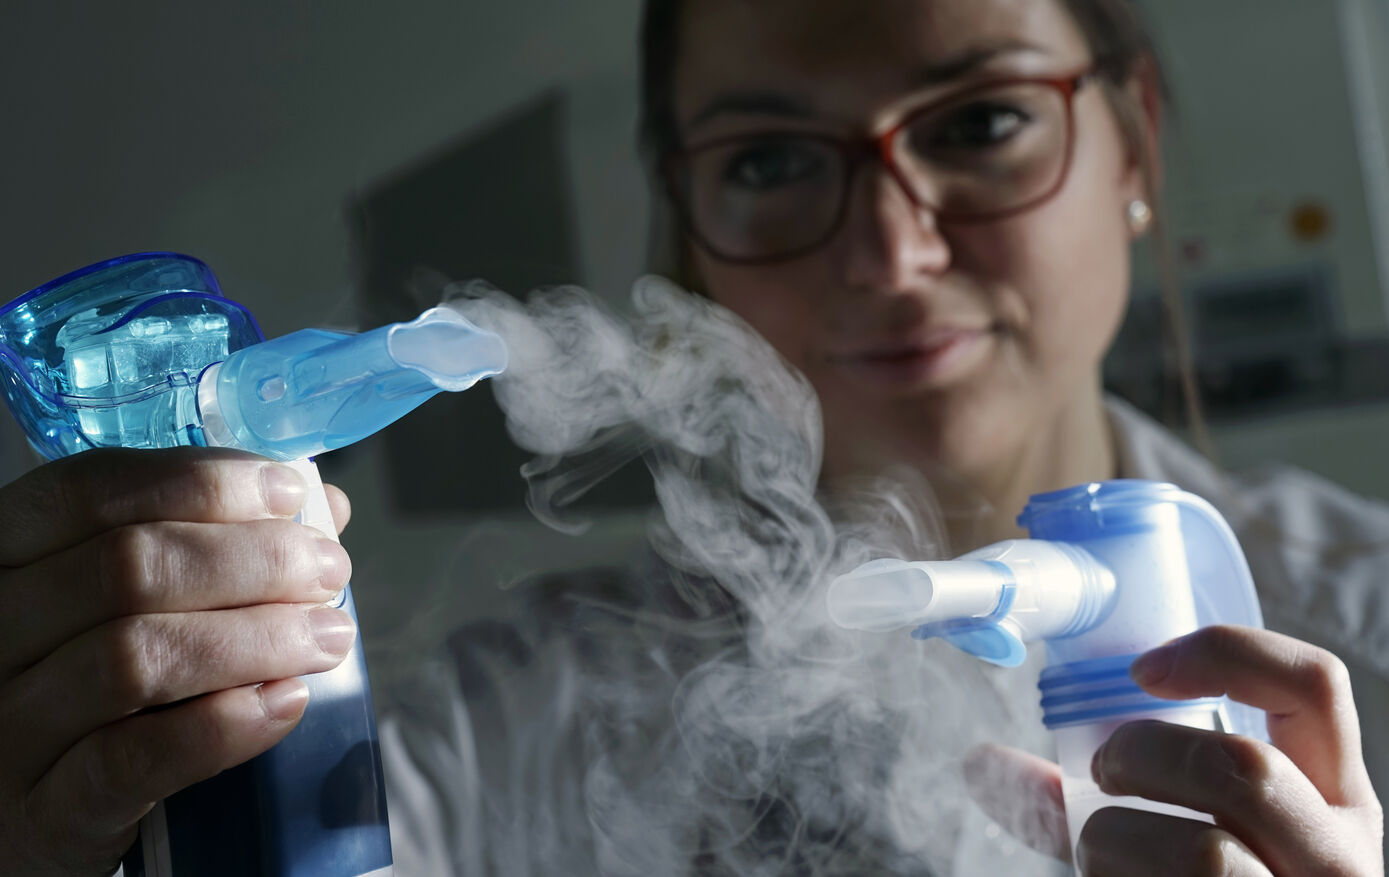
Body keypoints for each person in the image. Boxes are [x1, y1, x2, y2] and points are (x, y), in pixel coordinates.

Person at [0, 2, 1383, 877]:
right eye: (772, 159)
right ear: (682, 211)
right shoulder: (518, 720)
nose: (891, 249)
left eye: (981, 121)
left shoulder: (1365, 621)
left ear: (1133, 143)